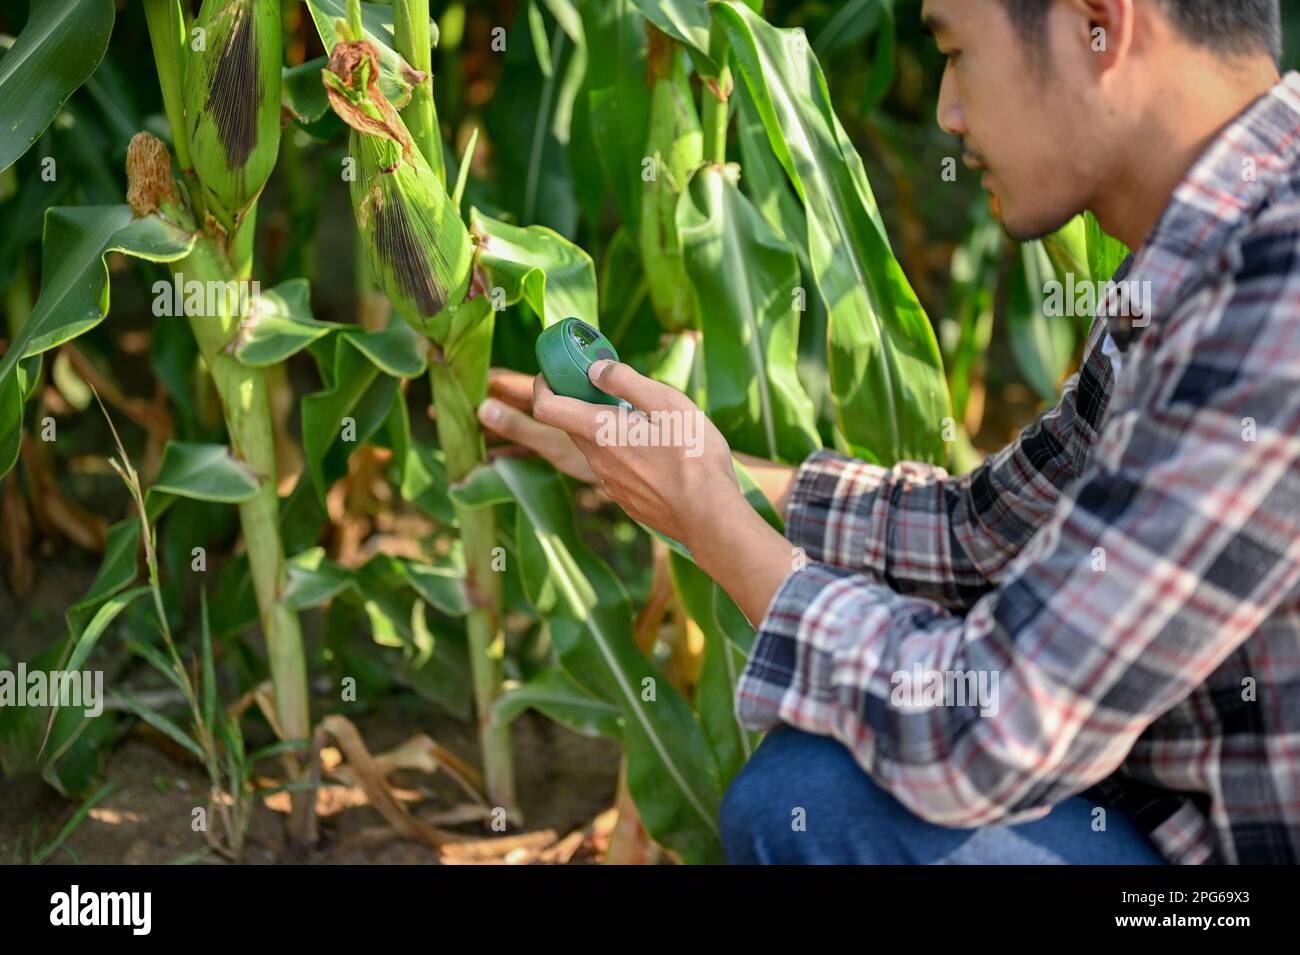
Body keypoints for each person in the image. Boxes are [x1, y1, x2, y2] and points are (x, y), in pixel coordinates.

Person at [475, 0, 1299, 864]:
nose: (946, 110)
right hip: (1175, 811)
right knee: (814, 784)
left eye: (956, 52)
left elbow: (991, 724)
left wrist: (714, 526)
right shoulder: (1201, 253)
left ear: (1099, 26)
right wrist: (698, 468)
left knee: (809, 805)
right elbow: (984, 534)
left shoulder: (1272, 299)